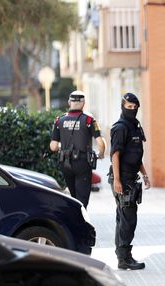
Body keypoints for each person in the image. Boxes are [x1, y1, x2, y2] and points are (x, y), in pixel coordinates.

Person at [109, 92, 151, 270]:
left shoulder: (135, 126)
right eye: (129, 107)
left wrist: (145, 174)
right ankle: (124, 258)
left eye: (135, 108)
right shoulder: (120, 128)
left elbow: (135, 155)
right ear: (122, 107)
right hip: (123, 178)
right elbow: (115, 155)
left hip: (131, 177)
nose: (132, 110)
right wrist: (117, 180)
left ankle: (122, 255)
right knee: (128, 219)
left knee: (124, 218)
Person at [50, 90, 106, 208]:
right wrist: (101, 153)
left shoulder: (59, 120)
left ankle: (74, 221)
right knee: (82, 199)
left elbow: (53, 146)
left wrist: (63, 146)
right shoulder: (89, 120)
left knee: (73, 198)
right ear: (84, 103)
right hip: (82, 163)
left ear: (69, 102)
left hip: (65, 163)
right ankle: (81, 223)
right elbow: (100, 142)